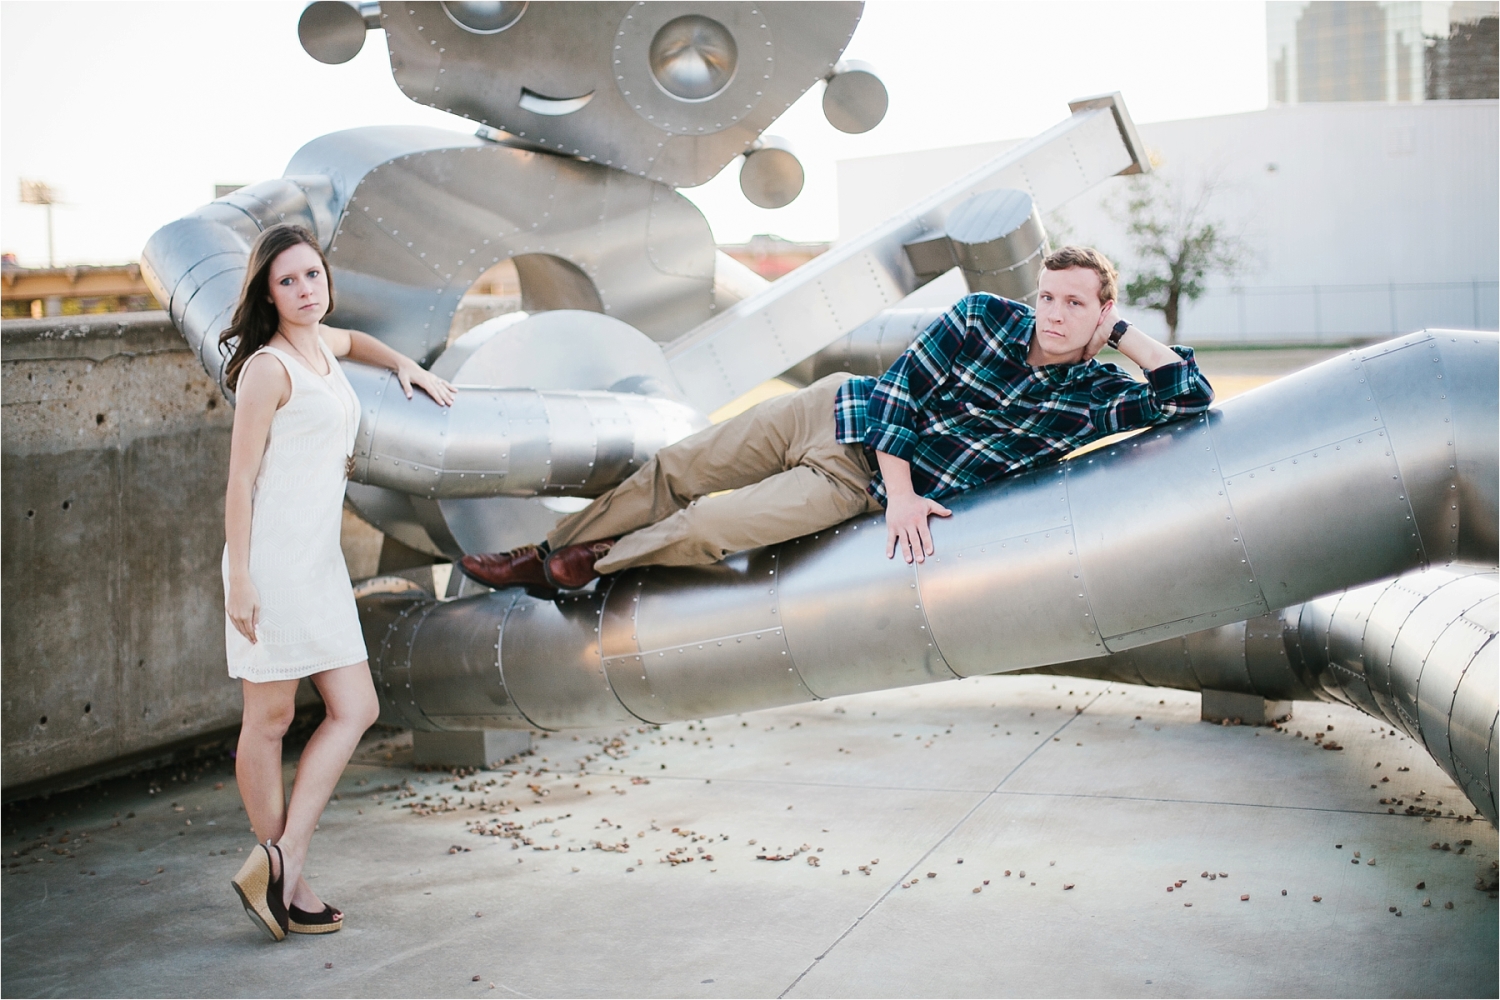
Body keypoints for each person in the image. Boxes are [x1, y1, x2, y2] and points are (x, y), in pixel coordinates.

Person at [458, 245, 1213, 594]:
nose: (1052, 314)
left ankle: (584, 565)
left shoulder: (1093, 395)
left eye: (1075, 303)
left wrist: (1122, 337)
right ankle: (543, 553)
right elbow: (898, 393)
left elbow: (1189, 397)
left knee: (710, 529)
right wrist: (908, 490)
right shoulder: (985, 315)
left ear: (1103, 309)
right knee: (675, 470)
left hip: (848, 483)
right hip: (833, 412)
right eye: (1048, 297)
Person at [222, 223, 454, 941]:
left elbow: (361, 346)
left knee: (356, 706)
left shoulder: (322, 346)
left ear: (326, 280)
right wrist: (238, 577)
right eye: (287, 281)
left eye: (312, 276)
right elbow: (238, 480)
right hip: (269, 564)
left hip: (317, 564)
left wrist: (408, 367)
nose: (303, 290)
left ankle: (281, 862)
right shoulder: (269, 368)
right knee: (269, 721)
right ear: (268, 291)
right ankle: (288, 878)